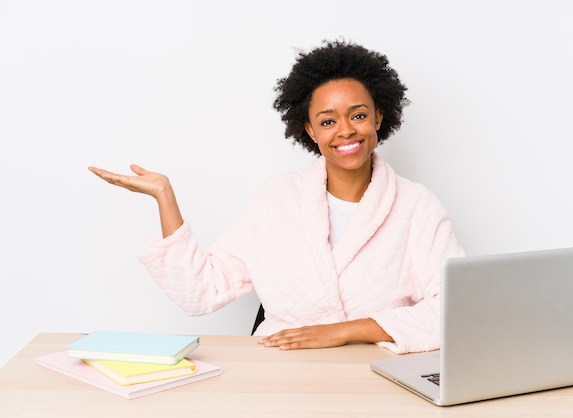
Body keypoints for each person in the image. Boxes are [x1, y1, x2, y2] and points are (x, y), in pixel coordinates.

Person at [88, 39, 464, 354]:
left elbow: (456, 310)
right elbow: (202, 292)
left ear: (379, 117)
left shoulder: (417, 207)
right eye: (328, 121)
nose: (346, 131)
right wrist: (165, 197)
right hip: (281, 370)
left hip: (376, 374)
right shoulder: (277, 199)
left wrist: (347, 330)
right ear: (310, 130)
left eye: (359, 115)